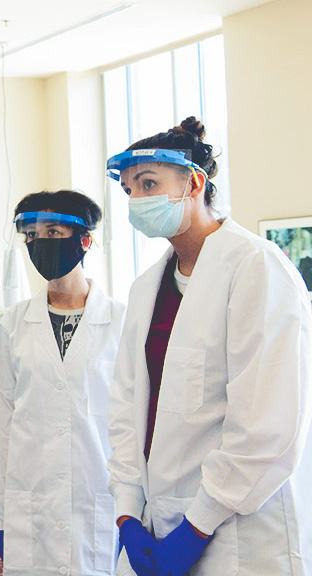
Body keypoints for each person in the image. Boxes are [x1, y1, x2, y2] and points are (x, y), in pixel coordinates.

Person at [105, 117, 312, 576]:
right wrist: (126, 515)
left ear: (194, 182)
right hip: (154, 526)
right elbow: (125, 409)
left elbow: (267, 425)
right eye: (129, 190)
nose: (137, 200)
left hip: (238, 533)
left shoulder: (257, 269)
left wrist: (196, 529)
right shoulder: (146, 288)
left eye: (149, 183)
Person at [0, 191, 126, 575]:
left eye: (52, 231)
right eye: (31, 234)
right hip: (31, 505)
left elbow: (134, 422)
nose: (40, 242)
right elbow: (0, 426)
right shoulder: (12, 325)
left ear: (84, 240)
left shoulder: (122, 322)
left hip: (100, 499)